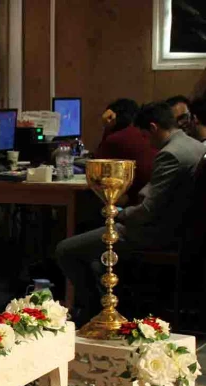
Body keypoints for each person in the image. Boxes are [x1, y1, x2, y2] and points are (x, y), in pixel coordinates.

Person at [56, 102, 206, 325]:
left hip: (156, 232)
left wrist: (119, 213)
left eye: (145, 136)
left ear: (153, 128)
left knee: (66, 250)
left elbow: (147, 210)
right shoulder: (196, 146)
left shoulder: (170, 154)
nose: (147, 143)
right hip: (185, 230)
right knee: (97, 256)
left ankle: (92, 312)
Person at [95, 98, 157, 203]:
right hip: (152, 195)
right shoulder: (142, 132)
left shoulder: (117, 138)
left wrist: (107, 127)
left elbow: (98, 165)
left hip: (137, 200)